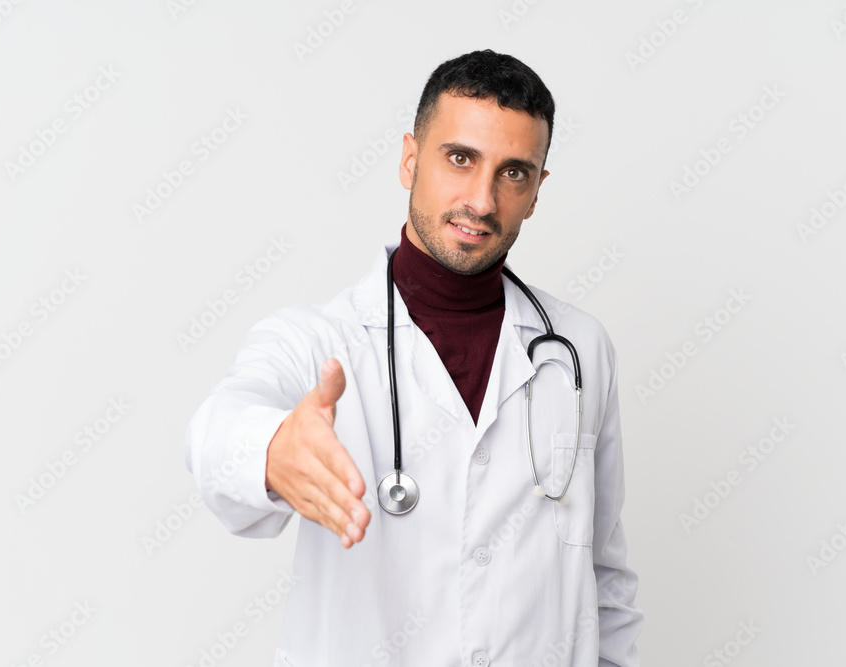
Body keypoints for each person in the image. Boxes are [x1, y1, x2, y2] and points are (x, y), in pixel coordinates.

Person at [185, 48, 643, 666]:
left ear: (536, 191)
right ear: (409, 159)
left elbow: (604, 574)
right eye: (460, 159)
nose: (481, 200)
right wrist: (272, 447)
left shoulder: (579, 350)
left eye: (513, 172)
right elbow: (217, 428)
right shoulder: (320, 340)